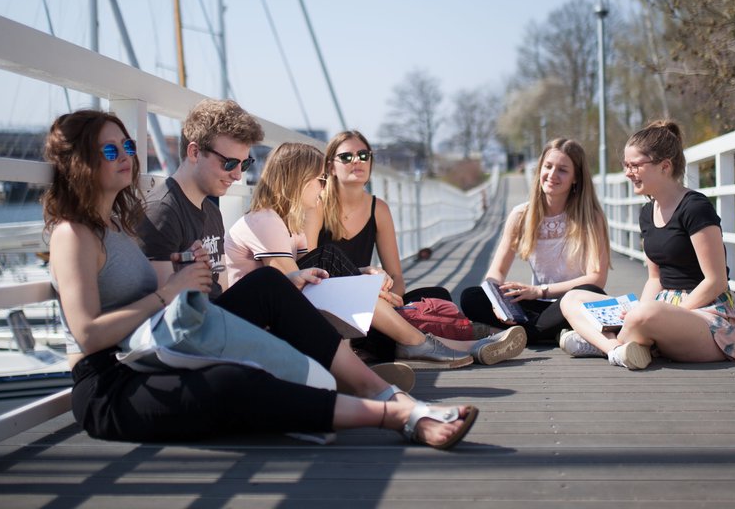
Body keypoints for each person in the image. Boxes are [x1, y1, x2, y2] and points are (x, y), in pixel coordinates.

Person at [43, 108, 478, 447]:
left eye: (129, 146)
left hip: (151, 354)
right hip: (109, 384)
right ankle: (396, 416)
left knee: (272, 285)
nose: (126, 158)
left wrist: (180, 277)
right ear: (80, 162)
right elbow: (86, 334)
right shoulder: (73, 234)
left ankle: (382, 391)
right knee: (232, 383)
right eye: (110, 151)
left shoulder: (119, 226)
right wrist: (170, 292)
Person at [225, 142, 526, 367]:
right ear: (296, 180)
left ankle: (451, 345)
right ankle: (426, 344)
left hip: (289, 322)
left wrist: (364, 276)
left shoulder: (291, 226)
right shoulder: (265, 220)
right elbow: (293, 286)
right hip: (259, 329)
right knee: (328, 259)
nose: (323, 186)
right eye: (319, 179)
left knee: (407, 298)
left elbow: (307, 279)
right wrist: (362, 286)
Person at [558, 120, 735, 370]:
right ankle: (617, 349)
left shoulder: (695, 208)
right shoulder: (647, 213)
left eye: (634, 165)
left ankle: (601, 343)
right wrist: (636, 311)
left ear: (665, 166)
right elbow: (654, 279)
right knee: (571, 298)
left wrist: (652, 313)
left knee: (644, 314)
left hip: (706, 315)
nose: (627, 172)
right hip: (660, 309)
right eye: (626, 165)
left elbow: (716, 281)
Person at [459, 138, 610, 344]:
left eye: (563, 170)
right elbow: (497, 272)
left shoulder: (591, 218)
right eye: (548, 166)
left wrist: (540, 291)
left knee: (593, 292)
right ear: (540, 169)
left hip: (572, 303)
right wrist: (496, 300)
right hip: (535, 305)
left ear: (576, 178)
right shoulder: (521, 215)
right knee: (472, 296)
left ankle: (519, 333)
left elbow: (596, 279)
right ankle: (554, 333)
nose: (552, 175)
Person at [138, 98, 264, 299]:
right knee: (269, 284)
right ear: (195, 152)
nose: (238, 175)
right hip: (197, 322)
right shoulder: (162, 212)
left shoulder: (213, 212)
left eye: (245, 164)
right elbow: (165, 308)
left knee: (273, 283)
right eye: (230, 163)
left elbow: (222, 290)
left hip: (218, 315)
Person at [305, 130, 450, 304]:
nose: (357, 160)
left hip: (370, 299)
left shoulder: (378, 209)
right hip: (329, 298)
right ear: (331, 167)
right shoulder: (318, 205)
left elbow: (396, 276)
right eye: (346, 157)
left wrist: (390, 299)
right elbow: (310, 270)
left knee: (439, 295)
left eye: (364, 155)